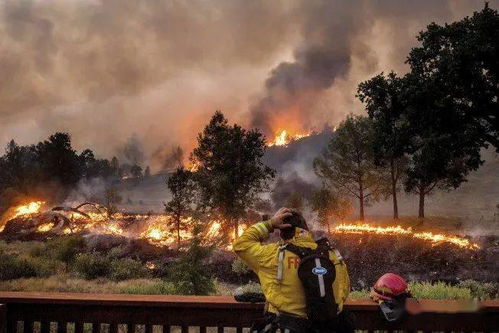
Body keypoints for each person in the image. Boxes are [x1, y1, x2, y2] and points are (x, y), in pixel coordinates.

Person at [233, 208, 351, 333]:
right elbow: (344, 290)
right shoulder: (332, 255)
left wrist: (270, 224)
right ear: (306, 229)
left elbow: (241, 244)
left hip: (286, 327)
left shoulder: (273, 255)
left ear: (281, 233)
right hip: (327, 328)